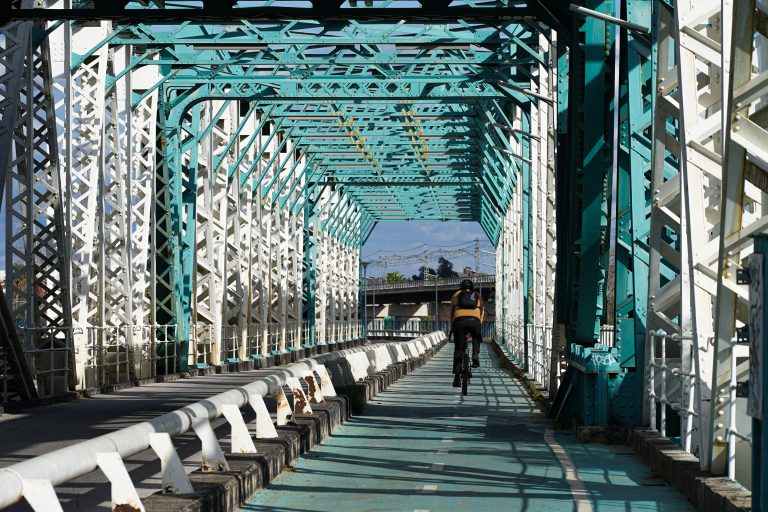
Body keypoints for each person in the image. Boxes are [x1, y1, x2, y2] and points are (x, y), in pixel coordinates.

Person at [450, 279, 483, 387]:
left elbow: (451, 313)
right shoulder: (477, 295)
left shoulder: (456, 295)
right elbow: (481, 311)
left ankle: (456, 379)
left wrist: (453, 326)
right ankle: (475, 355)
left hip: (459, 322)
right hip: (475, 321)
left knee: (458, 350)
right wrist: (479, 324)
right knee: (476, 337)